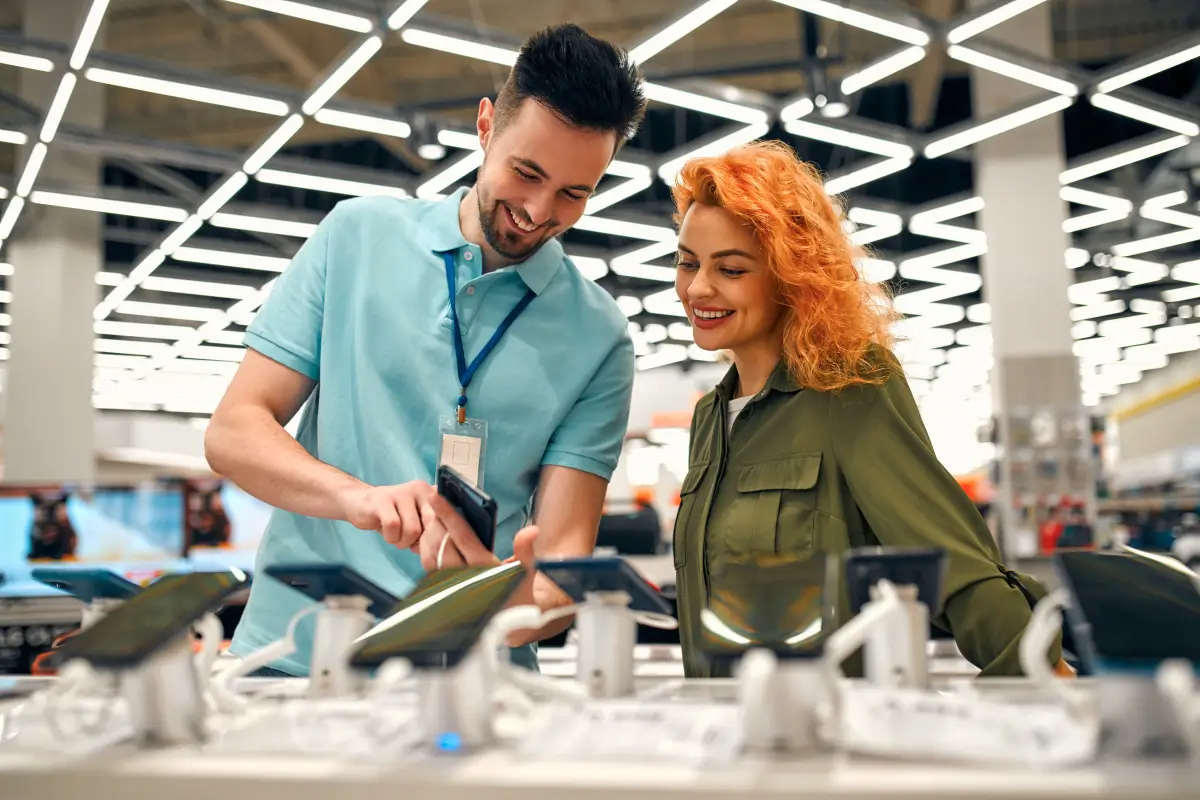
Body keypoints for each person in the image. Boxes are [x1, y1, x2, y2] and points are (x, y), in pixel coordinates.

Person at [205, 23, 647, 676]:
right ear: (486, 125)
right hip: (294, 658)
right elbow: (234, 433)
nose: (537, 209)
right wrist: (355, 498)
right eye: (526, 172)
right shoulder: (357, 236)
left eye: (573, 193)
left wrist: (505, 594)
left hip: (474, 678)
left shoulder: (599, 336)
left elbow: (557, 576)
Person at [669, 140, 1071, 678]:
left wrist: (1047, 678)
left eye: (732, 269)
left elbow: (951, 558)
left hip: (826, 740)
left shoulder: (849, 387)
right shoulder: (708, 420)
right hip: (723, 735)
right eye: (687, 262)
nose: (698, 287)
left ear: (791, 276)